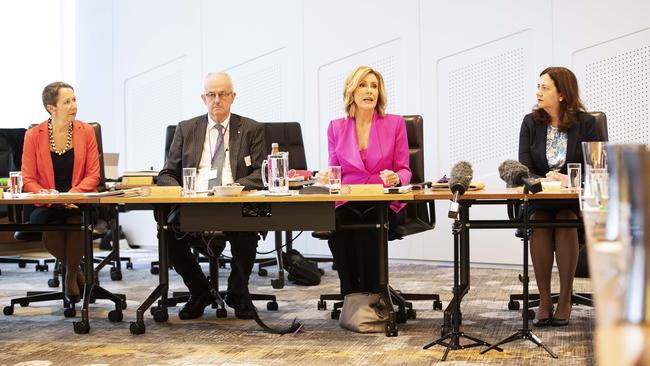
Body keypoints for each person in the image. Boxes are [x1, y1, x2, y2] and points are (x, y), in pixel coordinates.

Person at [157, 72, 266, 320]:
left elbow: (262, 172)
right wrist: (181, 191)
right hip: (194, 202)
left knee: (249, 227)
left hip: (235, 201)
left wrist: (234, 187)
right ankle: (199, 291)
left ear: (233, 97)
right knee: (167, 231)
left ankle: (238, 292)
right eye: (211, 94)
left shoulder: (251, 129)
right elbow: (166, 173)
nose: (217, 100)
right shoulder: (186, 128)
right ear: (203, 97)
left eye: (223, 94)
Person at [519, 66, 599, 327]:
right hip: (540, 200)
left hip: (575, 203)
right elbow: (524, 168)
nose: (538, 92)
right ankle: (544, 299)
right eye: (538, 86)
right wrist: (539, 181)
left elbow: (600, 170)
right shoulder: (531, 122)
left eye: (545, 87)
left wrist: (570, 180)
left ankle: (564, 299)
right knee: (541, 222)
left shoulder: (588, 124)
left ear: (562, 94)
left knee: (565, 220)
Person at [322, 66, 411, 296]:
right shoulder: (336, 127)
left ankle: (375, 294)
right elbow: (335, 171)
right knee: (339, 230)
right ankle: (351, 296)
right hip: (349, 200)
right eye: (363, 85)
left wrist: (395, 177)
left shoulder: (395, 123)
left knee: (371, 227)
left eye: (374, 86)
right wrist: (326, 176)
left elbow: (405, 170)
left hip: (383, 202)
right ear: (352, 91)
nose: (369, 91)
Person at [22, 81, 101, 303]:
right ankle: (74, 270)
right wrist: (50, 197)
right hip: (46, 202)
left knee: (76, 221)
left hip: (79, 200)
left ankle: (69, 276)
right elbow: (28, 178)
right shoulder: (33, 135)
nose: (74, 105)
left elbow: (93, 175)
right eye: (67, 101)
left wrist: (71, 195)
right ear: (51, 108)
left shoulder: (86, 131)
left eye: (74, 99)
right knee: (51, 225)